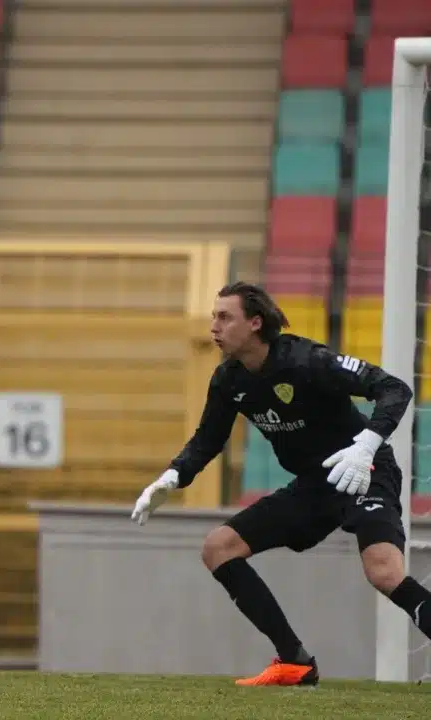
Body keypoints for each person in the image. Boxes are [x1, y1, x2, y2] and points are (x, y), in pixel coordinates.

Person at [130, 281, 431, 686]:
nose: (214, 327)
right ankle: (295, 660)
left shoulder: (309, 361)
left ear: (255, 323)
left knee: (383, 572)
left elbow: (395, 388)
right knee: (219, 547)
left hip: (363, 470)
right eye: (213, 317)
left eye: (224, 317)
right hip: (313, 484)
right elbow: (207, 440)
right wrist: (171, 477)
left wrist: (365, 447)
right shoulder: (228, 380)